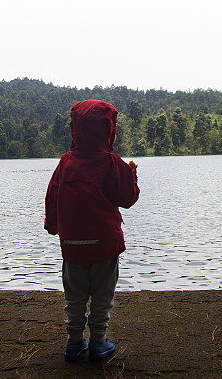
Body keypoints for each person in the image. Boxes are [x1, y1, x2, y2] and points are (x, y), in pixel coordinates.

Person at [44, 99, 140, 362]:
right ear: (108, 129)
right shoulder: (112, 163)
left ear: (76, 128)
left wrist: (53, 226)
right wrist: (130, 175)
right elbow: (128, 199)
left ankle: (74, 344)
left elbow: (53, 196)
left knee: (74, 298)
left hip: (73, 245)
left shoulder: (66, 163)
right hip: (104, 246)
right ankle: (98, 343)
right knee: (102, 297)